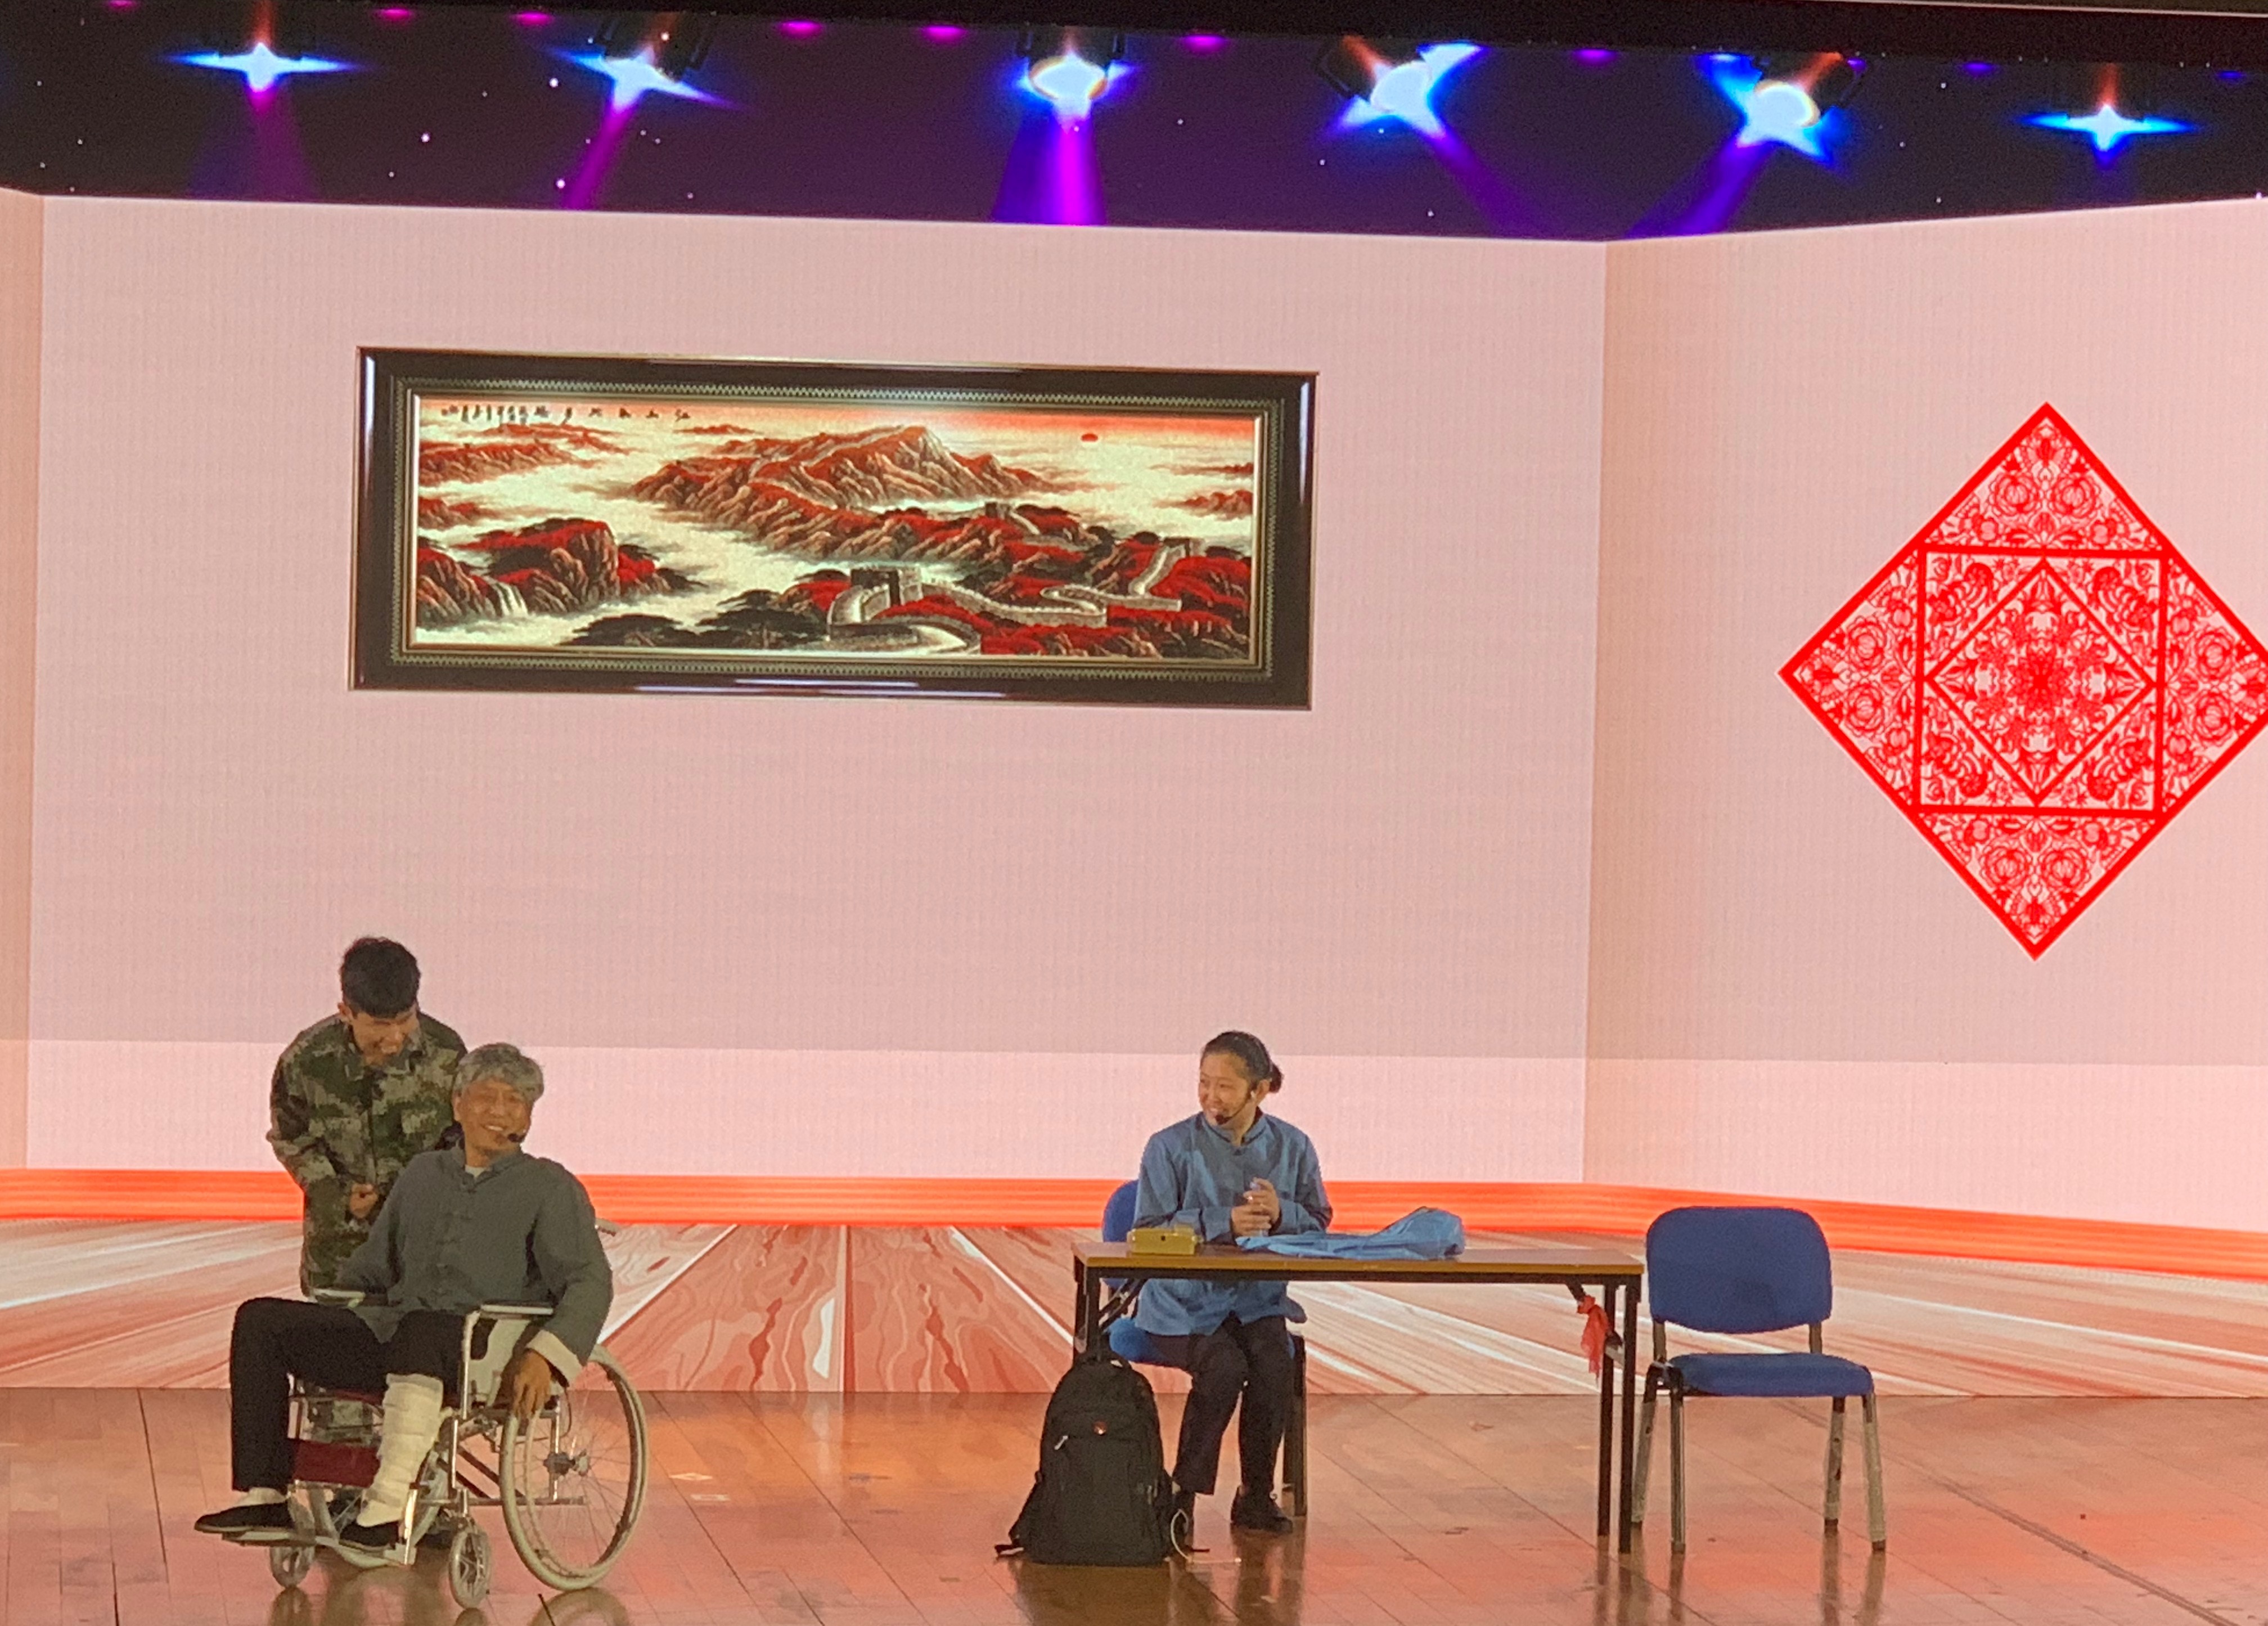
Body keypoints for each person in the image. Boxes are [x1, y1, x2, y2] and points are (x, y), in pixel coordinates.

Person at [198, 1043, 613, 1562]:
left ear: (529, 1117)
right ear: (457, 1104)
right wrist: (335, 1307)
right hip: (396, 1334)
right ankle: (266, 1497)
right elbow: (375, 1265)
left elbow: (590, 1280)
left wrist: (545, 1356)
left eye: (516, 1101)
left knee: (424, 1327)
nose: (501, 1111)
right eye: (487, 1097)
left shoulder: (550, 1187)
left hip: (483, 1352)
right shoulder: (423, 1175)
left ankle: (387, 1509)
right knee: (261, 1321)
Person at [1133, 1031, 1330, 1542]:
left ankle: (1255, 1495)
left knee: (1273, 1361)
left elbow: (1319, 1222)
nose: (1210, 1097)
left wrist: (1283, 1213)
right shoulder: (1169, 1147)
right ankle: (1182, 1497)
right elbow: (1148, 1228)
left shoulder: (1294, 1146)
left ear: (1259, 1090)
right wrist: (1223, 1222)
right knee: (1223, 1367)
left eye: (1224, 1086)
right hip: (1182, 1305)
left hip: (1257, 1301)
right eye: (1204, 1083)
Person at [268, 938, 466, 1294]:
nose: (394, 1038)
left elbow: (462, 1136)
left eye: (405, 1021)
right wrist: (335, 1193)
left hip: (425, 1245)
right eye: (379, 1024)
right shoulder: (307, 1060)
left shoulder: (447, 1053)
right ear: (346, 1012)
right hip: (341, 1247)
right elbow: (290, 1136)